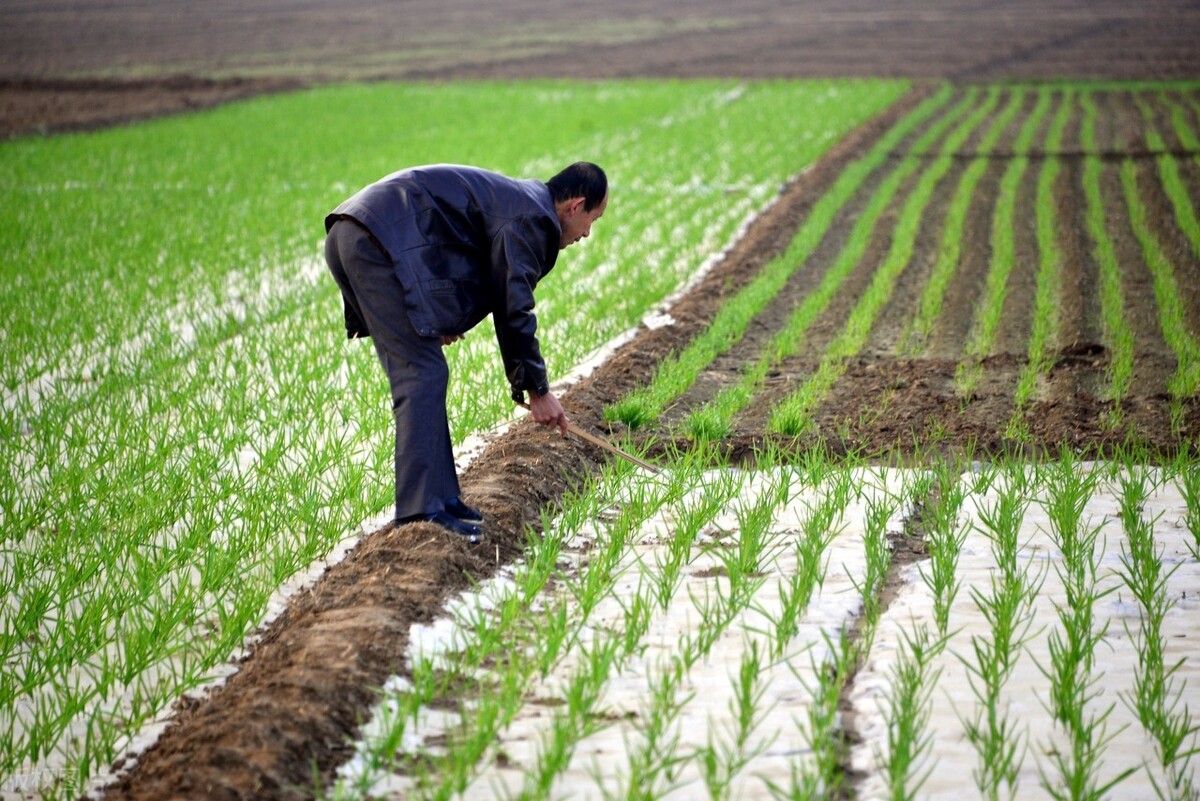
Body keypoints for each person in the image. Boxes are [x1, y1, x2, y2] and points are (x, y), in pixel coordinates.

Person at [324, 162, 608, 544]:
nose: (587, 233)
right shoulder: (532, 220)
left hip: (363, 233)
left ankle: (443, 500)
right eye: (593, 219)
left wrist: (438, 315)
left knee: (427, 370)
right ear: (574, 206)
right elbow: (513, 308)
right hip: (374, 241)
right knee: (421, 374)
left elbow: (467, 258)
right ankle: (420, 511)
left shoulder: (521, 205)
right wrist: (538, 390)